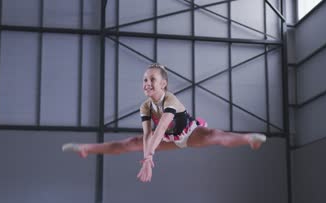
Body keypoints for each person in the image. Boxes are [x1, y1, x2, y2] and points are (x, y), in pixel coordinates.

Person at [62, 63, 266, 183]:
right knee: (131, 142)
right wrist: (146, 157)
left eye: (152, 79)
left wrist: (149, 158)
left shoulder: (171, 100)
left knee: (215, 135)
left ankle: (249, 138)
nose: (147, 83)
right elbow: (149, 135)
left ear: (163, 84)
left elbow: (160, 130)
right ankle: (87, 148)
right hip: (169, 139)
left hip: (190, 133)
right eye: (144, 80)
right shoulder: (145, 106)